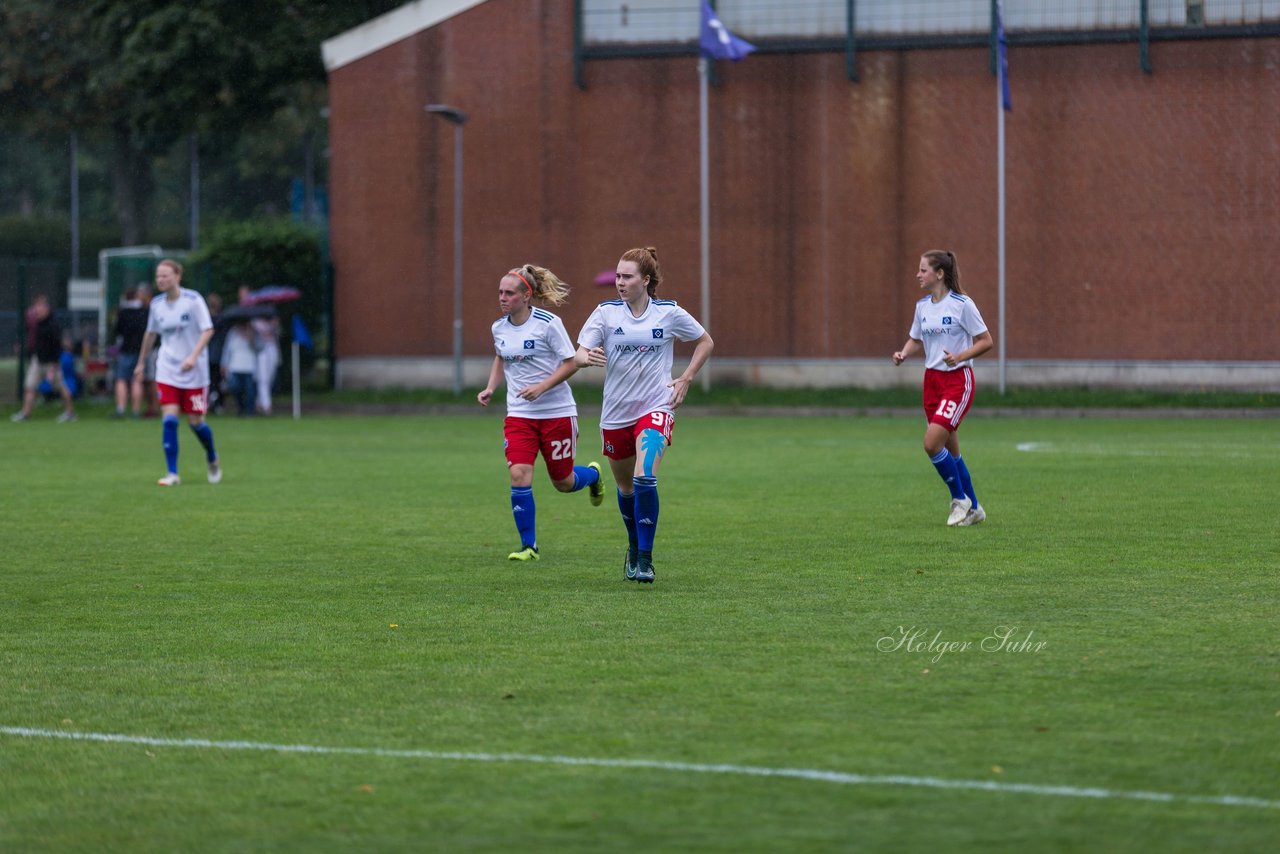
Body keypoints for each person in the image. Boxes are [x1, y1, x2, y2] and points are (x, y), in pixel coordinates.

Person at [574, 247, 714, 584]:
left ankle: (647, 560)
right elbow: (578, 352)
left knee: (644, 476)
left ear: (646, 280)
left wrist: (687, 377)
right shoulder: (606, 313)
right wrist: (584, 357)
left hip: (656, 407)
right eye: (618, 276)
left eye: (627, 277)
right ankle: (634, 548)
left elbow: (705, 341)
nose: (619, 282)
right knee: (625, 489)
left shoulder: (668, 313)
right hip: (616, 414)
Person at [478, 264, 603, 561]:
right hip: (519, 414)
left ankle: (594, 475)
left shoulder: (548, 323)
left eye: (509, 293)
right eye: (500, 292)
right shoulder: (499, 327)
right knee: (519, 475)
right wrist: (491, 387)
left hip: (557, 412)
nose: (502, 298)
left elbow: (571, 362)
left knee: (563, 482)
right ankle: (529, 546)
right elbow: (500, 358)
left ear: (526, 296)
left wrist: (542, 387)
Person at [892, 249, 993, 527]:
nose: (918, 275)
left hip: (957, 381)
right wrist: (903, 353)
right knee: (953, 452)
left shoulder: (962, 304)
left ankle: (959, 499)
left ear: (939, 274)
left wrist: (959, 357)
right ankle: (975, 508)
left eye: (923, 270)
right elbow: (916, 338)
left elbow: (986, 341)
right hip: (932, 382)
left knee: (931, 443)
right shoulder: (922, 306)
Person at [133, 259, 221, 486]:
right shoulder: (156, 304)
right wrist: (141, 362)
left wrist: (193, 356)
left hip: (195, 372)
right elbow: (151, 334)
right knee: (169, 419)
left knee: (195, 422)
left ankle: (212, 456)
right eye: (158, 276)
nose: (161, 280)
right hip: (168, 368)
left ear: (177, 276)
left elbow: (208, 329)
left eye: (165, 275)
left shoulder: (193, 301)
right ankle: (172, 473)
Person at [10, 294, 77, 423]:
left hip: (51, 363)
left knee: (61, 387)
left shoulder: (52, 325)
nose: (37, 310)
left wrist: (56, 362)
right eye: (36, 307)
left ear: (46, 308)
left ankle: (70, 412)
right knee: (29, 386)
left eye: (40, 307)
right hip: (38, 360)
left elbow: (57, 345)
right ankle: (26, 413)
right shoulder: (36, 323)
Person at [111, 286, 149, 418]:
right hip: (141, 350)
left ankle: (121, 409)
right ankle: (136, 411)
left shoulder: (123, 312)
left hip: (125, 349)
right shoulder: (144, 312)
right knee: (137, 380)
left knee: (121, 379)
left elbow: (117, 331)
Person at [221, 319, 259, 416]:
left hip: (249, 366)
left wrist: (250, 337)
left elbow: (259, 348)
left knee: (250, 391)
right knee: (235, 388)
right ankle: (240, 407)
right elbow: (227, 349)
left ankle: (250, 411)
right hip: (235, 366)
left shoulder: (253, 332)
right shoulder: (233, 332)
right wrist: (224, 363)